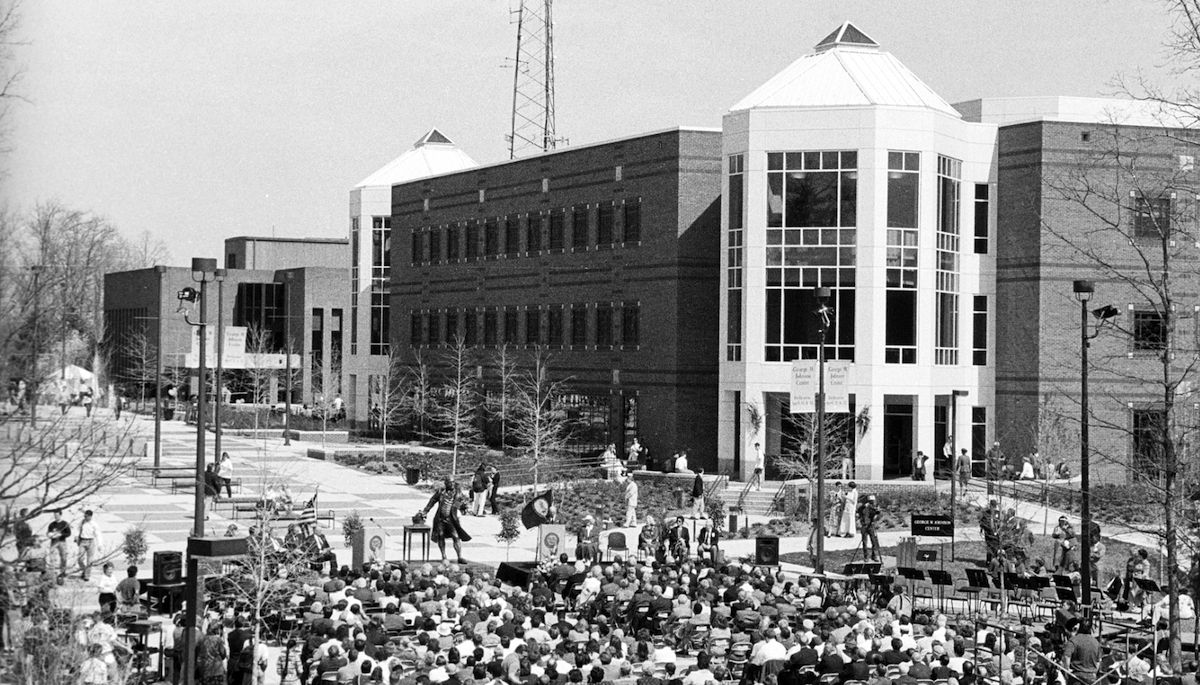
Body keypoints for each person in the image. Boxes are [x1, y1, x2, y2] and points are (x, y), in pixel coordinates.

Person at [421, 477, 471, 564]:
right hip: (441, 519)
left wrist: (464, 507)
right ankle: (444, 556)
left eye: (452, 482)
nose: (451, 484)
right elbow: (432, 501)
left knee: (456, 537)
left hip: (452, 519)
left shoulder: (458, 493)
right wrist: (425, 511)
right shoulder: (441, 492)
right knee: (441, 536)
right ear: (446, 483)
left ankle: (459, 556)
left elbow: (461, 504)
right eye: (449, 482)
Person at [1061, 619, 1101, 685]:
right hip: (1091, 678)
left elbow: (1066, 657)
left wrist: (1067, 671)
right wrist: (1093, 673)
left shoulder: (1073, 640)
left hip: (1076, 677)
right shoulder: (1096, 642)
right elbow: (1098, 661)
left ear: (1079, 627)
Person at [76, 509, 100, 580]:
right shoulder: (82, 522)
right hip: (83, 541)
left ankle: (87, 575)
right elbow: (78, 529)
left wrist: (100, 544)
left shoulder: (94, 524)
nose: (85, 517)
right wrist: (76, 536)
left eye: (87, 516)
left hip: (91, 541)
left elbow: (98, 534)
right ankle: (84, 570)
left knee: (89, 560)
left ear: (90, 516)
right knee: (79, 558)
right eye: (85, 516)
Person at [47, 509, 70, 580]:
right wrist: (50, 535)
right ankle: (52, 573)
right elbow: (48, 533)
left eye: (57, 515)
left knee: (63, 557)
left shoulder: (65, 524)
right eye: (55, 515)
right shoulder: (51, 524)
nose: (56, 517)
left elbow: (68, 533)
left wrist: (61, 534)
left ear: (60, 515)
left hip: (62, 541)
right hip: (54, 542)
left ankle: (63, 572)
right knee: (52, 557)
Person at [858, 495, 881, 562]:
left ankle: (874, 556)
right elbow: (859, 510)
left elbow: (876, 514)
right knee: (865, 542)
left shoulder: (873, 508)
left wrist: (876, 513)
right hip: (864, 525)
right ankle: (866, 557)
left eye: (872, 502)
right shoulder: (862, 507)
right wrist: (864, 506)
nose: (871, 503)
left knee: (874, 541)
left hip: (871, 525)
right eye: (870, 501)